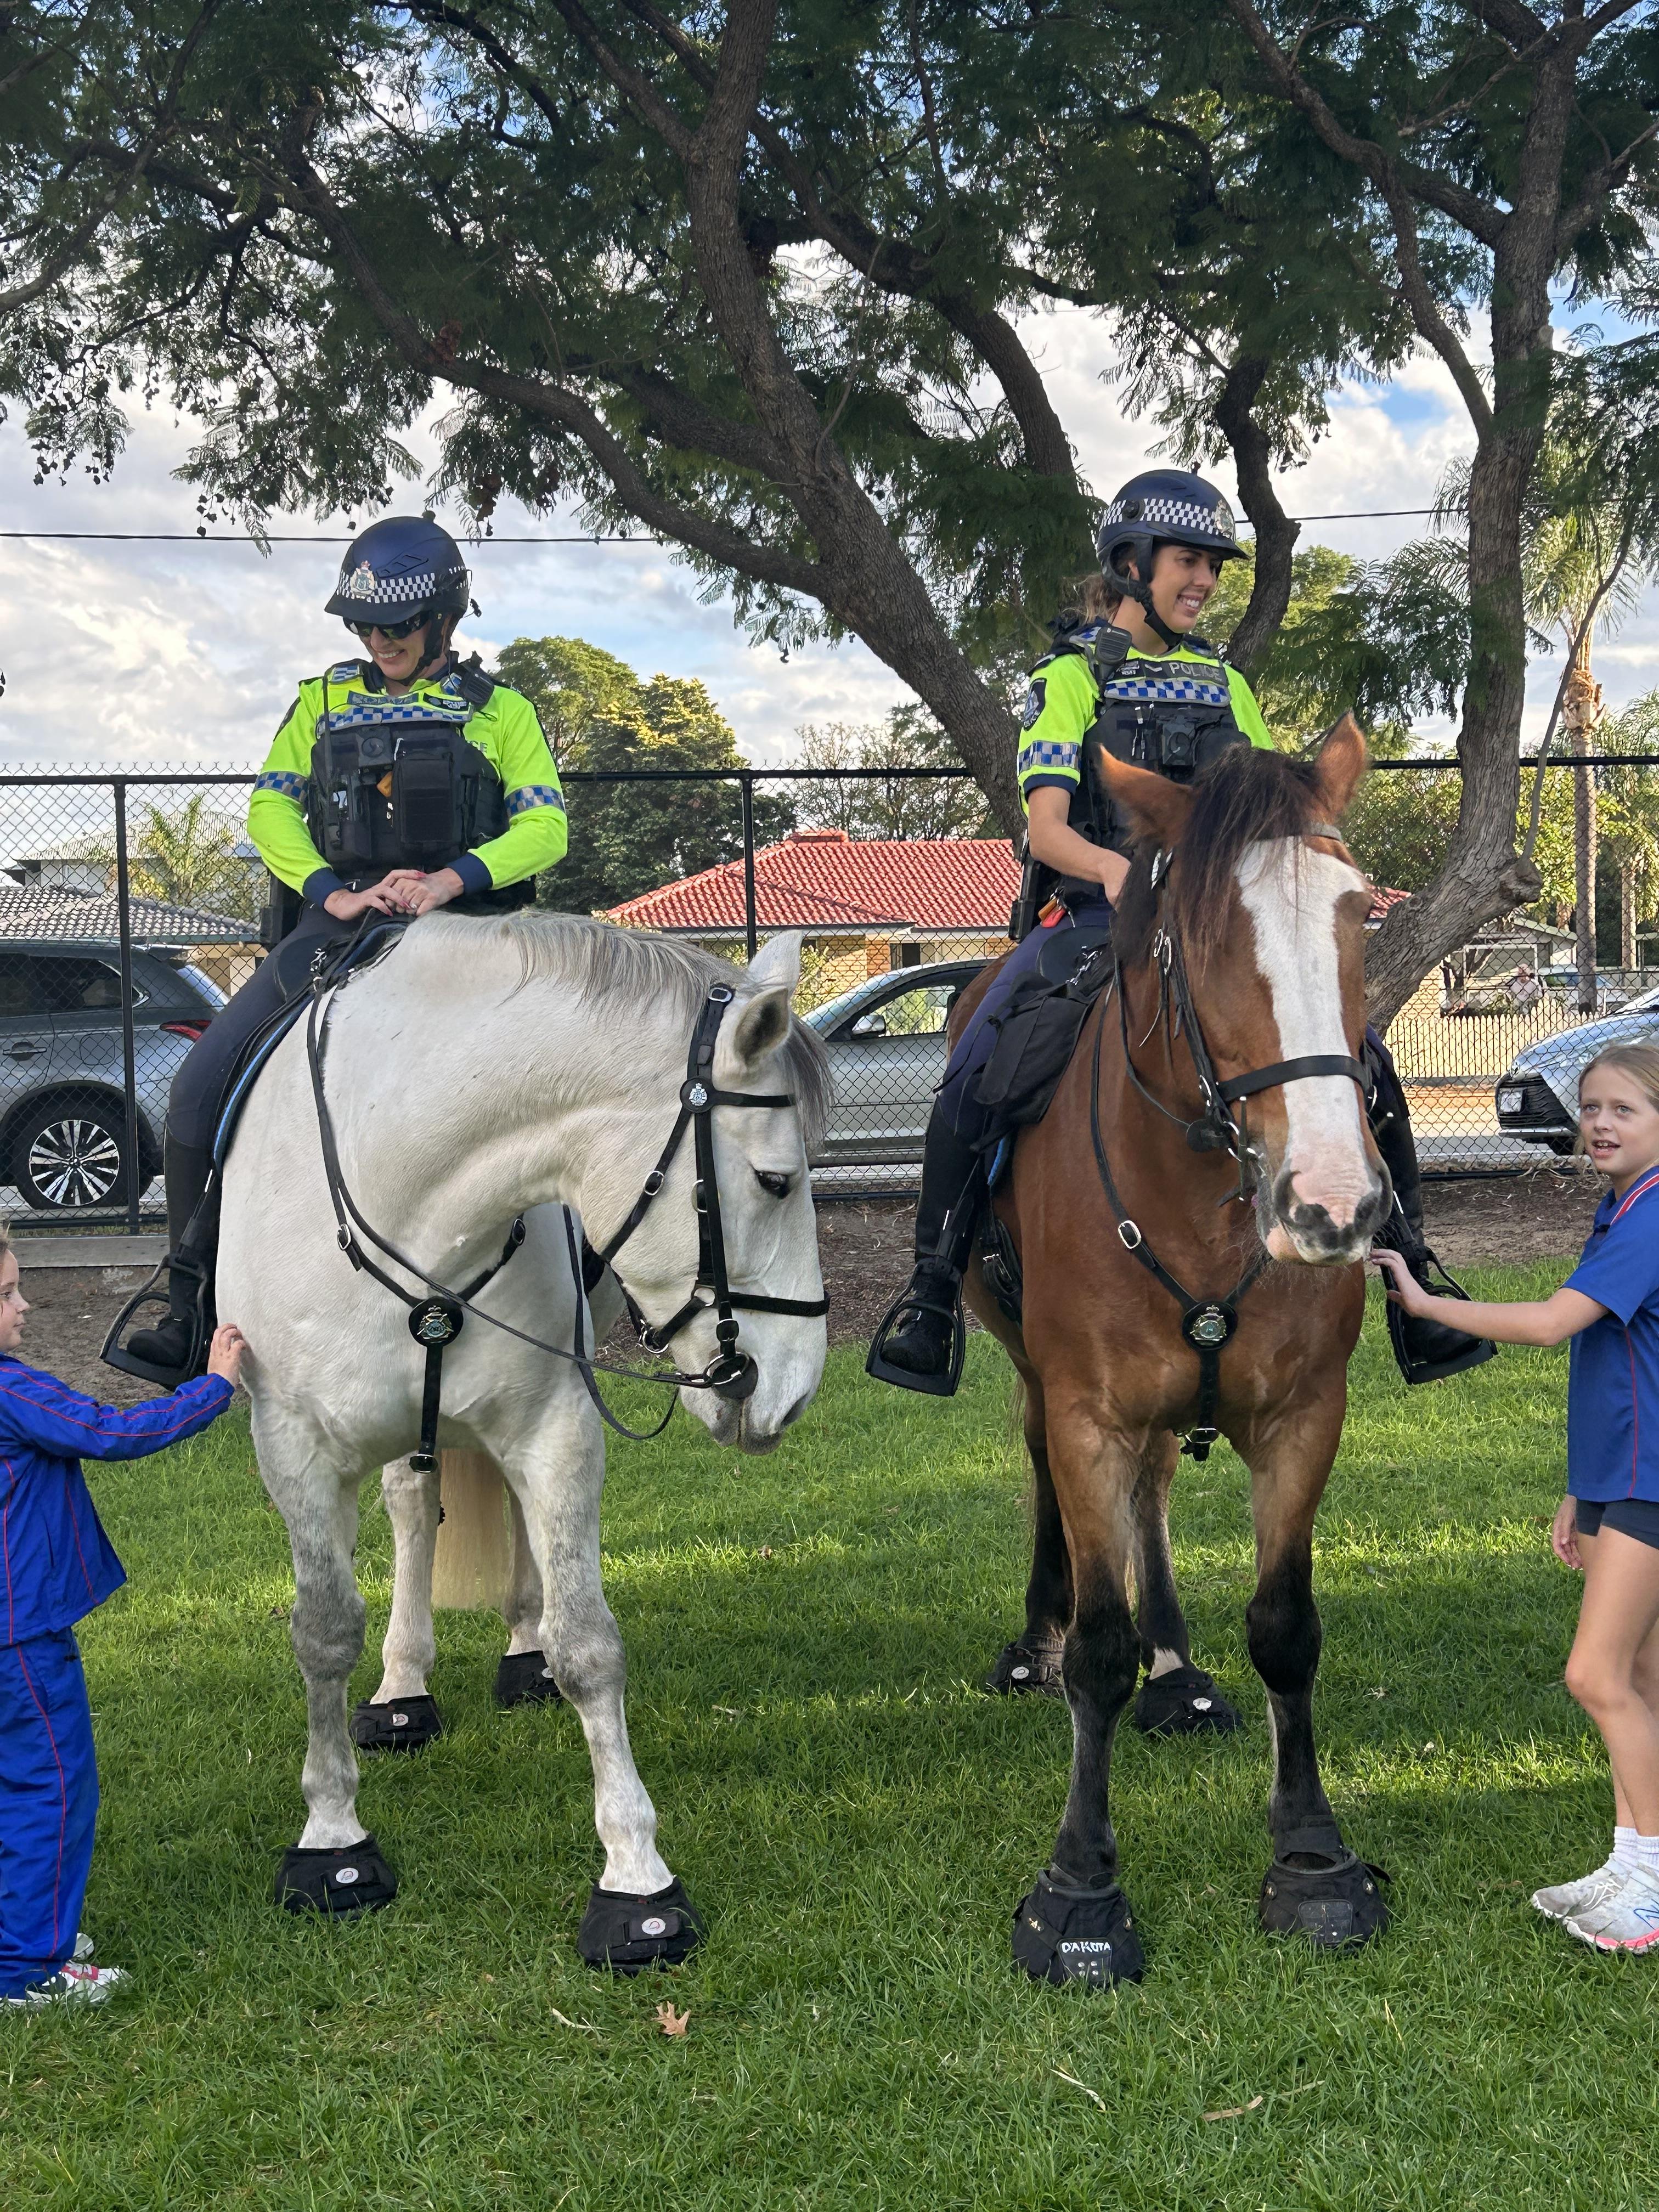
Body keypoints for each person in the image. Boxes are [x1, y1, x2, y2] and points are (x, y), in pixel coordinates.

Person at [867, 466, 1491, 1396]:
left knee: (1363, 1053)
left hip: (1209, 921)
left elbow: (1268, 816)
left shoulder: (1227, 686)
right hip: (1088, 911)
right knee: (983, 1050)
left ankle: (1408, 1270)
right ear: (1130, 564)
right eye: (1186, 561)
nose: (1202, 580)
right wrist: (1116, 871)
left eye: (1212, 565)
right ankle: (930, 1288)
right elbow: (1045, 829)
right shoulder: (1070, 678)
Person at [111, 515, 568, 1385]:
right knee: (200, 1085)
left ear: (443, 619)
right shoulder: (319, 703)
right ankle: (186, 1300)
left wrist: (450, 881)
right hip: (341, 921)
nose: (376, 640)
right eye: (362, 625)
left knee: (577, 1078)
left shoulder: (503, 713)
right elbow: (270, 809)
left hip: (467, 926)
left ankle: (603, 1283)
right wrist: (333, 891)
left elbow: (547, 827)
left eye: (394, 625)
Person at [1374, 1042, 1659, 1954]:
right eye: (1593, 1108)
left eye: (1626, 1110)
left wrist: (1424, 1305)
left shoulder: (1654, 1215)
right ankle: (1630, 1862)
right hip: (1619, 1480)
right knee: (1643, 1679)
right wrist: (1581, 1494)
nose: (1602, 1124)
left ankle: (1651, 1884)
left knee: (1595, 1676)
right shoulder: (1619, 1206)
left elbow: (1551, 1324)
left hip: (1654, 1484)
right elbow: (1612, 1369)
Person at [0, 1228, 245, 2006]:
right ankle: (31, 1969)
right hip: (21, 1637)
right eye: (6, 1294)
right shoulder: (13, 1393)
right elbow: (113, 1431)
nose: (24, 1305)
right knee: (53, 1787)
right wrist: (215, 1385)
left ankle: (24, 1929)